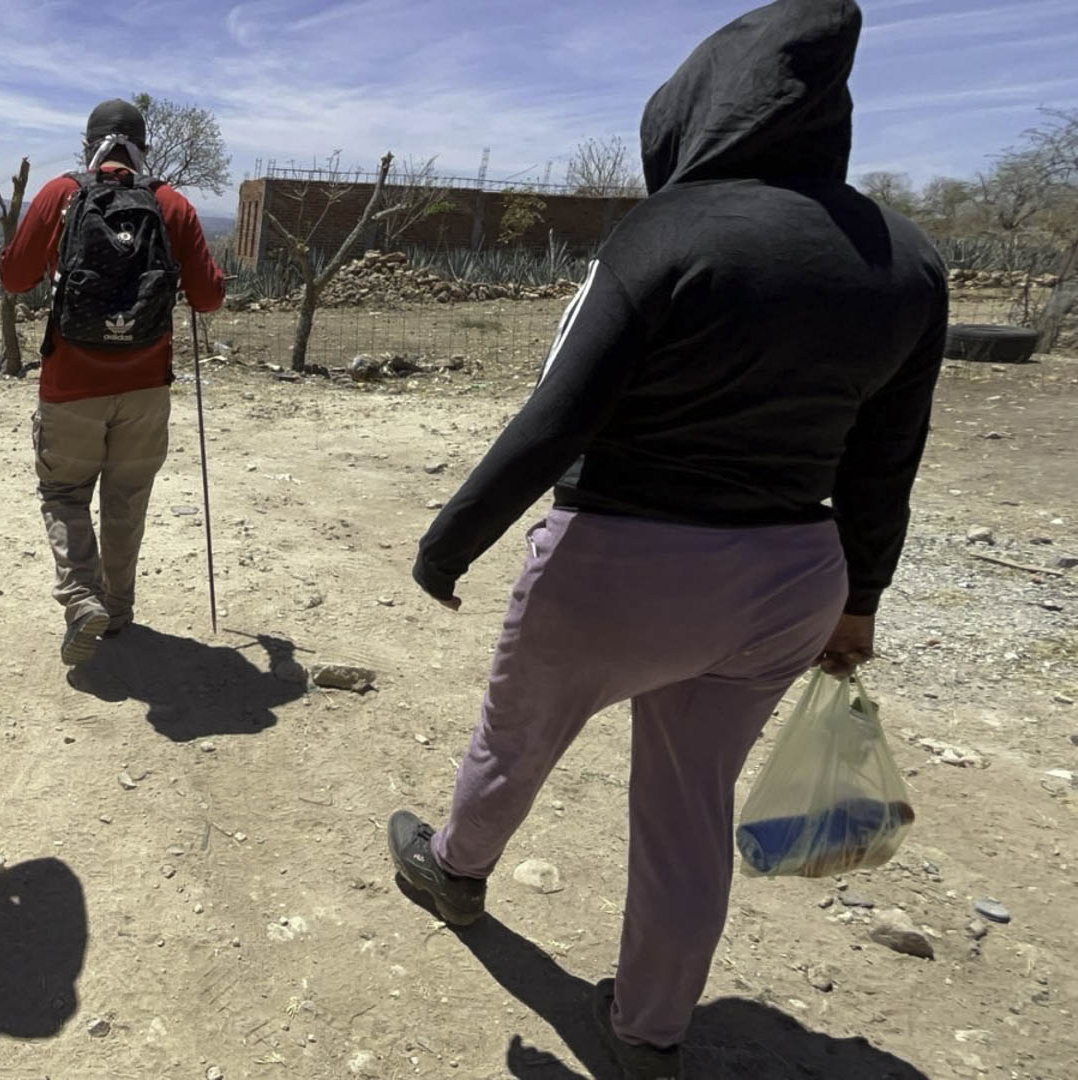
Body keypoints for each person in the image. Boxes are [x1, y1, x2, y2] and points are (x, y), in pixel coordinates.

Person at [384, 1, 946, 1076]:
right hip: (790, 578)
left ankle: (455, 873)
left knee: (519, 739)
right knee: (689, 807)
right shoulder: (907, 260)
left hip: (621, 567)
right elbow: (887, 458)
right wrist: (860, 600)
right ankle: (648, 1033)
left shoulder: (670, 230)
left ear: (706, 104)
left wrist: (450, 542)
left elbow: (560, 416)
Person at [0, 99, 227, 666]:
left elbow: (14, 276)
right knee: (127, 500)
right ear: (141, 147)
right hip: (147, 383)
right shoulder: (170, 203)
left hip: (70, 382)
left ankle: (82, 598)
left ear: (90, 145)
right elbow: (210, 297)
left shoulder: (60, 195)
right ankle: (118, 609)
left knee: (63, 492)